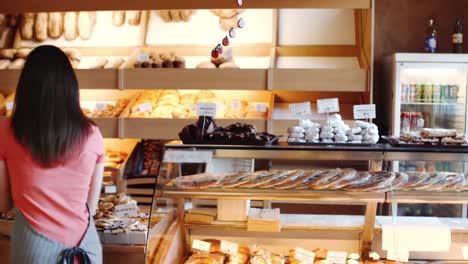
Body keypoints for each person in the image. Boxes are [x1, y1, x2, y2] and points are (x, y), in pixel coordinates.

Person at [0, 45, 104, 264]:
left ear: (25, 87)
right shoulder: (92, 134)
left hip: (34, 250)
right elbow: (91, 207)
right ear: (70, 87)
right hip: (86, 250)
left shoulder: (6, 132)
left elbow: (4, 203)